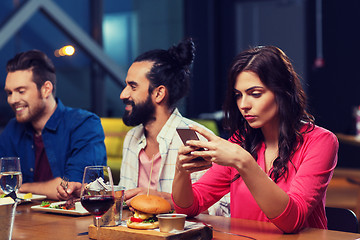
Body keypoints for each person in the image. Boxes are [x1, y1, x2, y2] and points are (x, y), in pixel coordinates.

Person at [172, 46, 338, 233]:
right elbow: (187, 208)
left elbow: (292, 221)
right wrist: (181, 170)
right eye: (238, 95)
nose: (244, 105)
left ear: (283, 91)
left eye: (255, 94)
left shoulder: (321, 141)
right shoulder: (240, 141)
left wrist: (243, 162)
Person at [57, 38, 229, 216]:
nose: (123, 94)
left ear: (159, 93)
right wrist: (90, 192)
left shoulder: (193, 138)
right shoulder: (132, 137)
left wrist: (169, 200)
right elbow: (127, 198)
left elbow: (223, 209)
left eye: (132, 86)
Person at [0, 50, 107, 199]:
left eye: (21, 91)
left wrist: (20, 188)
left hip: (73, 221)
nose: (12, 99)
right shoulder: (12, 129)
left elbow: (72, 188)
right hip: (22, 219)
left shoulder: (84, 124)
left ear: (46, 89)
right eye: (9, 93)